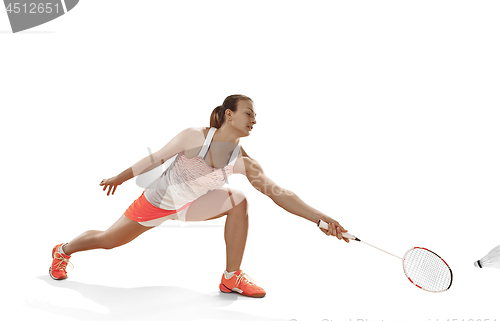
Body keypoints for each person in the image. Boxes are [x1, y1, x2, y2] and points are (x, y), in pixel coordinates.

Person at [49, 94, 349, 298]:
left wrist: (321, 219)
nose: (254, 119)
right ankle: (63, 250)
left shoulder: (243, 160)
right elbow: (156, 160)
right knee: (107, 240)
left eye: (255, 116)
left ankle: (231, 277)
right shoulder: (195, 136)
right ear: (229, 114)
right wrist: (120, 177)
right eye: (249, 113)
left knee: (239, 201)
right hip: (156, 204)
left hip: (192, 205)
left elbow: (280, 194)